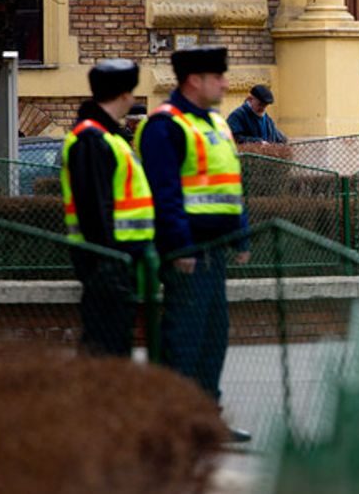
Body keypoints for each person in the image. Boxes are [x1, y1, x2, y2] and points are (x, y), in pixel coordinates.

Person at [135, 46, 251, 443]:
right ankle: (177, 422)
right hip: (189, 254)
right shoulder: (164, 125)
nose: (224, 83)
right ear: (194, 81)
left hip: (214, 250)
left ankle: (206, 417)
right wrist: (181, 248)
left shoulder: (217, 124)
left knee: (212, 336)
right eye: (217, 76)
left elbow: (231, 182)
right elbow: (164, 194)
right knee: (184, 337)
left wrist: (241, 232)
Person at [61, 59, 154, 357]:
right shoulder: (92, 139)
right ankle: (100, 401)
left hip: (112, 259)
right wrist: (109, 258)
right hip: (107, 260)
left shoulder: (104, 136)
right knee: (107, 345)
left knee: (110, 342)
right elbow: (94, 210)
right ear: (125, 95)